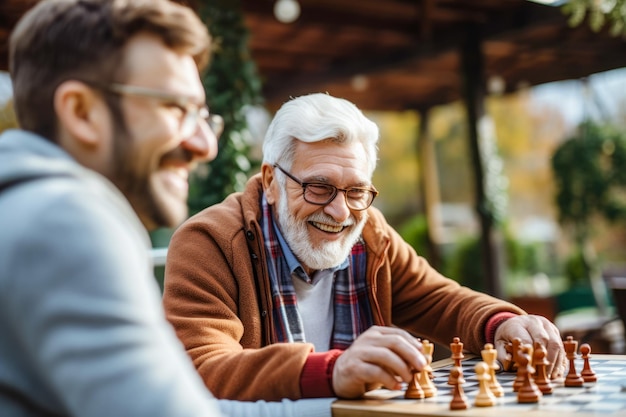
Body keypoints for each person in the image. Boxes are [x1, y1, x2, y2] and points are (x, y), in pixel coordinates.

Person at [0, 1, 333, 416]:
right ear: (81, 113)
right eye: (176, 108)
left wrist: (343, 408)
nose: (204, 145)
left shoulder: (23, 212)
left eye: (202, 115)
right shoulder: (64, 222)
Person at [163, 92, 567, 402]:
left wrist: (500, 323)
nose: (340, 212)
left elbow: (440, 300)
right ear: (271, 182)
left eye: (356, 190)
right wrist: (331, 371)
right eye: (319, 187)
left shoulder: (370, 231)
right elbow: (201, 368)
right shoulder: (209, 242)